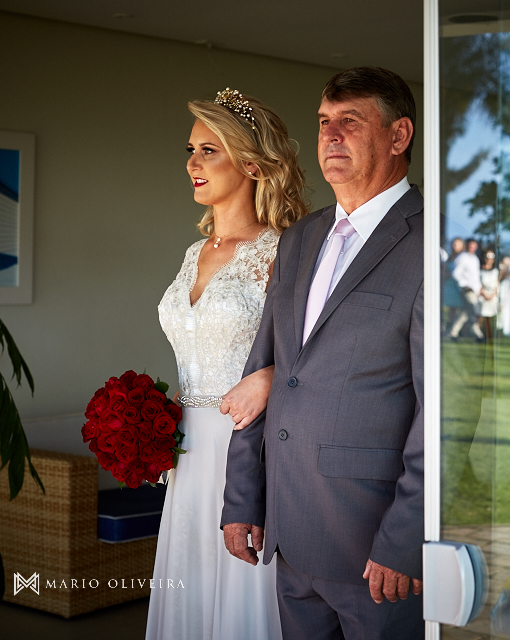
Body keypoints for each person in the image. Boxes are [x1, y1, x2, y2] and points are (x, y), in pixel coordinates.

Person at [220, 67, 424, 639]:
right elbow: (263, 374)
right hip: (288, 531)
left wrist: (405, 538)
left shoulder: (430, 243)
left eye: (350, 123)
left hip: (374, 546)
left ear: (399, 134)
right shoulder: (298, 239)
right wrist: (242, 500)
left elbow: (445, 414)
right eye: (324, 123)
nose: (331, 137)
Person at [148, 89, 308, 640]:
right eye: (190, 149)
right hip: (187, 453)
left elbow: (307, 357)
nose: (192, 163)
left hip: (249, 444)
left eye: (209, 150)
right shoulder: (194, 252)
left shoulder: (283, 252)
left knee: (242, 591)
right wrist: (152, 426)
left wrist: (265, 377)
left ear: (251, 163)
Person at [449, 238, 486, 340]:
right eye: (470, 246)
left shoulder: (475, 259)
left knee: (466, 312)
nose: (472, 248)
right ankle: (477, 334)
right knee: (473, 309)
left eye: (474, 246)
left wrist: (479, 289)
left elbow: (476, 277)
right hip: (467, 290)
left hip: (475, 290)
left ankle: (453, 332)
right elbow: (455, 273)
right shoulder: (462, 258)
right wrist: (465, 285)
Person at [479, 249, 500, 341]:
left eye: (492, 257)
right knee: (481, 316)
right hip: (483, 295)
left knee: (490, 317)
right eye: (488, 257)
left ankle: (489, 336)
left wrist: (493, 294)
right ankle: (479, 335)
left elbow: (497, 283)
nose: (490, 259)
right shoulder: (480, 270)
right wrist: (484, 294)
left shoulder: (496, 270)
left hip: (492, 296)